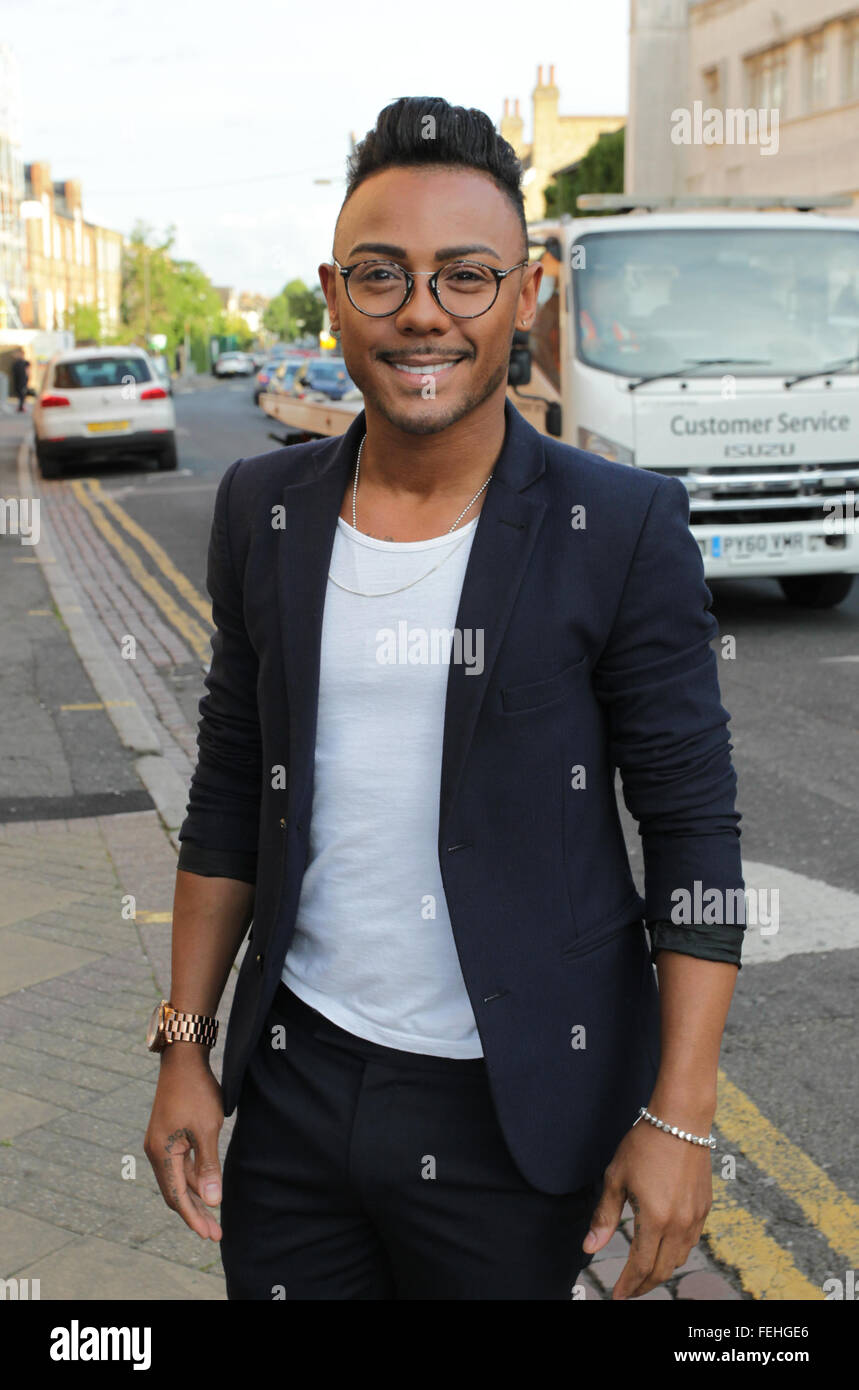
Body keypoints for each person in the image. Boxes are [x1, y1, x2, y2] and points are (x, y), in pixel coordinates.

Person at [144, 96, 745, 1301]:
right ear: (332, 293)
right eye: (383, 275)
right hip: (297, 1080)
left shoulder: (617, 526)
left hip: (516, 1108)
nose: (422, 312)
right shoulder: (262, 508)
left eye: (465, 277)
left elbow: (693, 829)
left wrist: (679, 1117)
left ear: (523, 297)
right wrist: (184, 1046)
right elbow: (226, 785)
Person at [11, 348, 30, 412]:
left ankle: (21, 406)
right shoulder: (16, 363)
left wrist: (27, 379)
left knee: (22, 393)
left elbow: (28, 371)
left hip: (23, 380)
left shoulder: (25, 362)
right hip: (17, 380)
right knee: (19, 393)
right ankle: (20, 406)